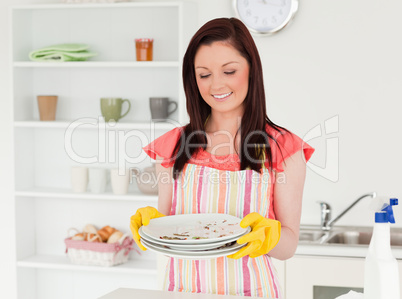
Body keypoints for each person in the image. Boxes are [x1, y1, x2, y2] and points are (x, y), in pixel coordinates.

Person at [130, 17, 314, 298]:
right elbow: (165, 230)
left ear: (252, 69)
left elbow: (288, 246)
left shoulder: (283, 147)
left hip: (252, 292)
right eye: (204, 74)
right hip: (181, 291)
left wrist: (270, 236)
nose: (216, 85)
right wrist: (150, 225)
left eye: (229, 71)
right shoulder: (173, 145)